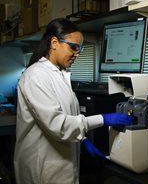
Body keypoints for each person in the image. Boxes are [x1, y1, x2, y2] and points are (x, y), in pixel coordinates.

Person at [14, 18, 133, 184]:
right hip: (42, 169)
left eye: (80, 49)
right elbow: (58, 125)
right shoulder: (36, 76)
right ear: (54, 42)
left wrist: (82, 140)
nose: (77, 53)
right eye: (74, 47)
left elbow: (69, 115)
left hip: (61, 166)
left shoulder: (60, 75)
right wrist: (103, 119)